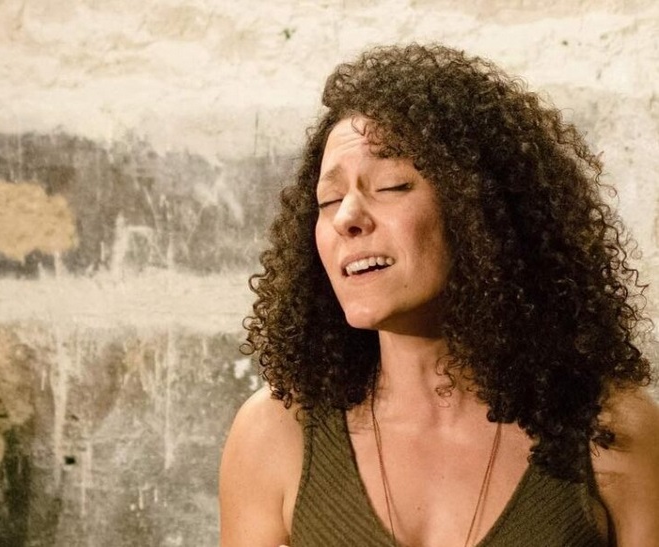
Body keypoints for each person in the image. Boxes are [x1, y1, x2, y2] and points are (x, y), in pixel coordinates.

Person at [219, 43, 659, 546]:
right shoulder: (276, 434)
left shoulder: (612, 431)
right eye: (329, 199)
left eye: (391, 186)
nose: (347, 217)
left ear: (480, 207)